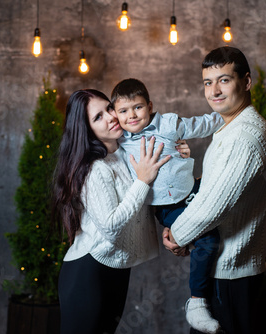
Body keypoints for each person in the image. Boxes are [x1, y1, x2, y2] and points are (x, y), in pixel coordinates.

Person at [162, 46, 266, 334]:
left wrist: (178, 235)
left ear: (246, 82)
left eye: (224, 80)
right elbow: (213, 188)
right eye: (207, 82)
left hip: (232, 275)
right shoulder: (230, 129)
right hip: (222, 270)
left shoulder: (246, 135)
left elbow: (213, 206)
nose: (214, 90)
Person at [53, 89, 188, 334]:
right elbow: (112, 227)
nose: (111, 117)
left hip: (116, 269)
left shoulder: (126, 153)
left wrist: (179, 156)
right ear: (86, 129)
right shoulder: (94, 169)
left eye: (109, 108)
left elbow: (150, 198)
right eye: (97, 117)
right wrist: (142, 181)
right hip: (88, 271)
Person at [111, 78, 224, 333]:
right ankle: (197, 303)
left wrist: (229, 114)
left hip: (193, 188)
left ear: (149, 106)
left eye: (137, 107)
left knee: (224, 191)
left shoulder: (170, 124)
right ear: (116, 115)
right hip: (168, 207)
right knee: (208, 239)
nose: (132, 116)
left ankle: (249, 260)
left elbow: (202, 124)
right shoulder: (120, 144)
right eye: (123, 111)